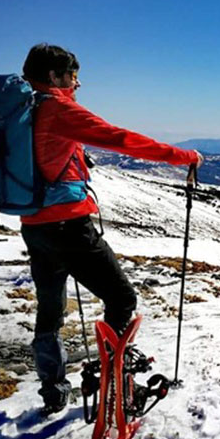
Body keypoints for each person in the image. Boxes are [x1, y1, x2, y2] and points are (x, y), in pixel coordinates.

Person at [19, 43, 202, 414]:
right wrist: (184, 155)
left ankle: (53, 392)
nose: (77, 83)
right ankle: (116, 387)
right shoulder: (57, 107)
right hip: (69, 226)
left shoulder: (19, 111)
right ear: (54, 76)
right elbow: (121, 139)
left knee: (49, 311)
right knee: (121, 299)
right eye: (72, 75)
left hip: (34, 226)